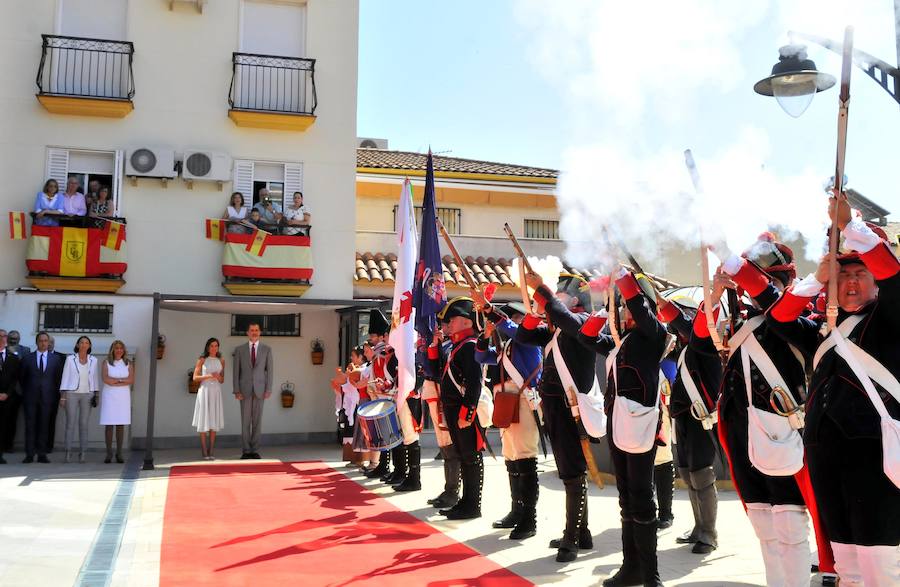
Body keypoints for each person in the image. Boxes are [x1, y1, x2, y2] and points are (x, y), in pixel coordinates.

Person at [766, 198, 900, 586]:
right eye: (843, 275)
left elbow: (895, 279)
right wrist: (814, 280)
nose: (852, 282)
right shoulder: (827, 326)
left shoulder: (890, 319)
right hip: (826, 456)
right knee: (847, 566)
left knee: (881, 569)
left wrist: (852, 228)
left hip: (875, 457)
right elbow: (780, 319)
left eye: (861, 272)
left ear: (874, 278)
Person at [716, 234, 821, 587]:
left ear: (787, 282)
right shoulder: (741, 321)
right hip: (744, 432)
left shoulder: (796, 317)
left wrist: (731, 260)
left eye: (772, 280)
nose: (760, 289)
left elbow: (773, 303)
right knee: (764, 524)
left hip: (782, 432)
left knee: (789, 528)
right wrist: (717, 293)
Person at [578, 269, 668, 587]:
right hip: (619, 425)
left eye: (630, 305)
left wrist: (625, 281)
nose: (626, 311)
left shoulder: (653, 334)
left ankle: (650, 574)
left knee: (642, 497)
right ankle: (632, 567)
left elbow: (643, 313)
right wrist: (606, 308)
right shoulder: (623, 340)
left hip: (639, 426)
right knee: (627, 498)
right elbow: (586, 337)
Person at [517, 273, 597, 563]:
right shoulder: (557, 326)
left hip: (570, 407)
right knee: (569, 470)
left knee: (573, 472)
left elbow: (567, 322)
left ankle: (572, 538)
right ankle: (582, 531)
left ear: (574, 299)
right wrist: (534, 309)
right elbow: (524, 336)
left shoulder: (586, 321)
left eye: (560, 293)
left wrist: (542, 291)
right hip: (554, 407)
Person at [473, 299, 543, 540]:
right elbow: (481, 357)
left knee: (524, 459)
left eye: (517, 317)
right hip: (507, 402)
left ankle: (529, 518)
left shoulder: (528, 339)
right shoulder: (509, 347)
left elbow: (515, 332)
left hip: (522, 401)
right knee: (512, 458)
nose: (513, 321)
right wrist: (485, 334)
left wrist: (493, 315)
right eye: (511, 317)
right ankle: (517, 510)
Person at [659, 294, 723, 554]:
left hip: (700, 417)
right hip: (683, 415)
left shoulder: (705, 341)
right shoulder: (684, 348)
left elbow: (691, 328)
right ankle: (698, 527)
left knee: (701, 474)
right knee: (686, 472)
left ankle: (709, 533)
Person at [433, 297, 485, 520]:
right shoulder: (458, 347)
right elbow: (439, 374)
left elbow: (475, 382)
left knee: (471, 457)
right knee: (464, 456)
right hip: (455, 411)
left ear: (466, 321)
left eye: (452, 320)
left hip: (464, 411)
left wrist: (468, 412)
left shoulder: (470, 346)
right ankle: (465, 502)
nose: (449, 324)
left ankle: (472, 505)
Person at [423, 317, 461, 508]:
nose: (444, 328)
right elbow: (431, 368)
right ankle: (449, 489)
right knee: (445, 447)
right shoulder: (445, 345)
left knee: (451, 448)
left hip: (448, 397)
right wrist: (434, 346)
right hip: (439, 395)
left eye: (446, 325)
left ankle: (453, 491)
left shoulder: (455, 346)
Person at [18, 331, 65, 463]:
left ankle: (42, 454)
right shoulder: (28, 358)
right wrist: (28, 391)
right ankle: (29, 454)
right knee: (30, 425)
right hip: (30, 398)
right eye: (41, 340)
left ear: (49, 343)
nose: (43, 343)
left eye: (46, 341)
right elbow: (22, 378)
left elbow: (58, 379)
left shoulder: (56, 359)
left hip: (48, 398)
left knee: (44, 426)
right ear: (37, 342)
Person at [233, 323, 273, 459]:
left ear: (260, 332)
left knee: (257, 421)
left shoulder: (267, 350)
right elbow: (236, 372)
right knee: (245, 421)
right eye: (252, 330)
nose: (254, 332)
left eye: (256, 330)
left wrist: (268, 389)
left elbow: (270, 371)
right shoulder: (239, 350)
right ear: (247, 333)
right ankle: (246, 450)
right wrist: (236, 390)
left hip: (260, 390)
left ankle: (255, 450)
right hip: (244, 390)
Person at [59, 336, 99, 463]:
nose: (84, 344)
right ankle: (68, 451)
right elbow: (65, 376)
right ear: (77, 345)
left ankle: (83, 452)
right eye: (81, 342)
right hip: (72, 393)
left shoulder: (94, 360)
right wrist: (63, 396)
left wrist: (96, 393)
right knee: (70, 423)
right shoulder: (70, 359)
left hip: (87, 394)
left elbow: (95, 378)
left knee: (84, 424)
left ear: (89, 346)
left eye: (87, 343)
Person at [100, 340, 133, 464]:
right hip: (109, 395)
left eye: (121, 348)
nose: (119, 350)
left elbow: (131, 380)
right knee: (109, 424)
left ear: (124, 350)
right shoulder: (106, 363)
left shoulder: (128, 363)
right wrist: (121, 381)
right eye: (116, 348)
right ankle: (109, 453)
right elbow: (106, 379)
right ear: (112, 350)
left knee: (121, 424)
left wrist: (116, 381)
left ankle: (119, 452)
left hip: (123, 396)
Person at [193, 338, 225, 460]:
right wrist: (209, 376)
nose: (214, 348)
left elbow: (222, 380)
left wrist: (218, 377)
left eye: (216, 346)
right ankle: (204, 450)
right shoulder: (202, 360)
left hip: (216, 391)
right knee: (203, 419)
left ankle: (211, 449)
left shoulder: (221, 360)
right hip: (204, 390)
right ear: (207, 347)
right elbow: (195, 377)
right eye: (211, 346)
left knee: (213, 420)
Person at [3, 330, 29, 452]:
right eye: (11, 338)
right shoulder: (3, 350)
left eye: (16, 338)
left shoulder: (25, 350)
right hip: (3, 390)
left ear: (19, 339)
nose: (13, 340)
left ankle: (9, 445)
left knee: (12, 420)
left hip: (18, 390)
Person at [0, 330, 22, 464]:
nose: (3, 338)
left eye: (4, 336)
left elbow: (15, 378)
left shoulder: (13, 357)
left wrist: (6, 393)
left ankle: (0, 453)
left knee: (3, 426)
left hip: (7, 397)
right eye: (0, 336)